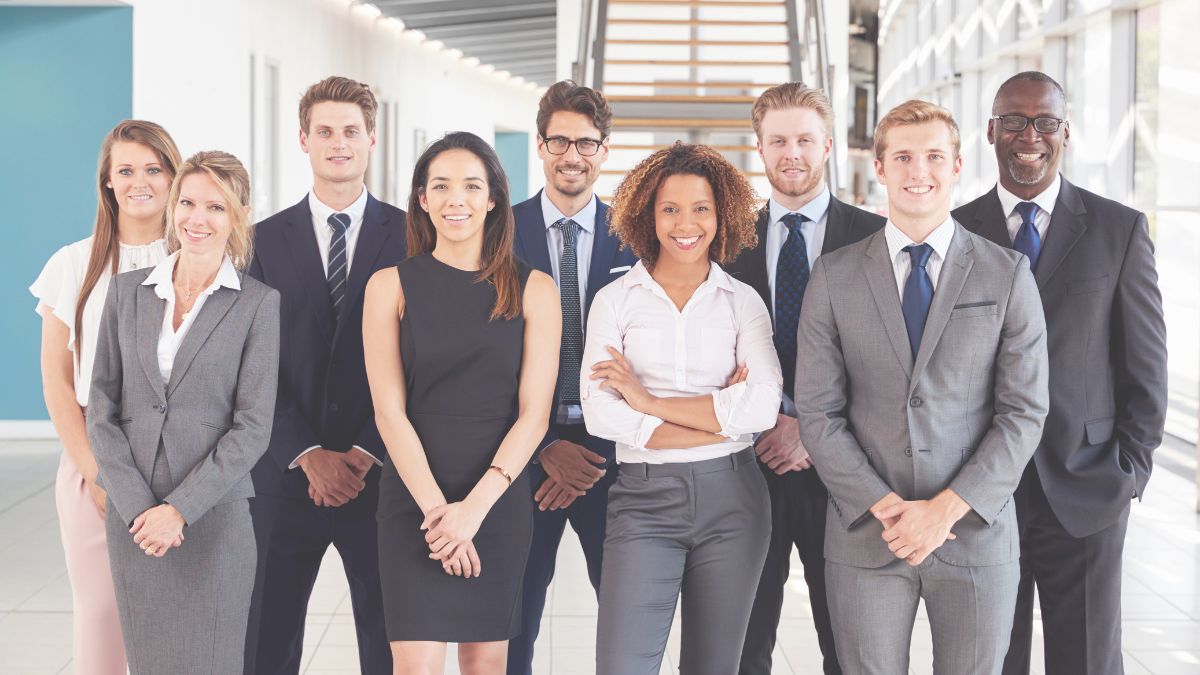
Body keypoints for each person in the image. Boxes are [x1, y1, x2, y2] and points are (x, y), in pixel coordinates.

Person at [795, 100, 1048, 675]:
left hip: (975, 534)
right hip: (867, 535)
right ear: (879, 168)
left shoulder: (1006, 274)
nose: (918, 171)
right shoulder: (834, 275)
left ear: (958, 165)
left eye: (934, 156)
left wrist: (943, 513)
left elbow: (1024, 412)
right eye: (903, 157)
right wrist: (888, 509)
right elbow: (818, 412)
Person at [953, 71, 1168, 675]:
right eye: (1015, 121)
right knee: (992, 658)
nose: (1030, 135)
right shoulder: (956, 231)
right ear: (991, 130)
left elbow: (1145, 362)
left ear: (1065, 132)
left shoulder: (1117, 229)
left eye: (1045, 122)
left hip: (1088, 485)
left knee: (1089, 661)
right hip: (982, 491)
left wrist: (1131, 469)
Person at [364, 131, 560, 674]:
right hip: (414, 502)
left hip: (495, 501)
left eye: (472, 186)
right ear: (422, 199)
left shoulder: (534, 288)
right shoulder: (389, 286)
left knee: (484, 665)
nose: (457, 200)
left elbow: (534, 414)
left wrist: (471, 512)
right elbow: (388, 412)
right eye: (441, 186)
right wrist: (438, 516)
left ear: (493, 197)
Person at [582, 142, 782, 675]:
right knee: (623, 666)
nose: (685, 223)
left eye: (701, 209)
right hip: (643, 503)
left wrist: (646, 402)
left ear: (722, 216)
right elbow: (602, 416)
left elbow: (761, 406)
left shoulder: (743, 302)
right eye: (670, 208)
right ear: (648, 213)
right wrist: (721, 418)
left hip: (734, 503)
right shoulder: (616, 300)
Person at [86, 150, 280, 674]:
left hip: (212, 520)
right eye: (188, 202)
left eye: (215, 207)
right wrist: (137, 506)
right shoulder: (127, 293)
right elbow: (101, 405)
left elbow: (252, 426)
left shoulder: (258, 304)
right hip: (136, 522)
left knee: (211, 663)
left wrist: (179, 509)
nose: (198, 218)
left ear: (238, 214)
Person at [245, 75, 406, 675]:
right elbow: (251, 361)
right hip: (285, 476)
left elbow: (422, 359)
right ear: (303, 140)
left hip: (383, 476)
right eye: (325, 131)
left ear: (371, 139)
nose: (338, 143)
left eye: (350, 131)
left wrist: (363, 450)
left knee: (388, 642)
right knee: (266, 639)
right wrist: (307, 451)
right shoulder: (260, 241)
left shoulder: (415, 234)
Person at [725, 82, 885, 675]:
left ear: (827, 147)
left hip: (845, 477)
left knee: (849, 646)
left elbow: (889, 365)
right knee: (745, 645)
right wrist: (770, 423)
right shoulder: (728, 239)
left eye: (804, 140)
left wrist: (812, 435)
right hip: (750, 468)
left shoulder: (875, 237)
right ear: (760, 150)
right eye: (777, 141)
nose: (791, 153)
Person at [30, 119, 182, 675]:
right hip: (95, 452)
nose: (139, 181)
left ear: (173, 177)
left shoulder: (200, 259)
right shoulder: (72, 264)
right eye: (126, 170)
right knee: (101, 615)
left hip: (180, 458)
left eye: (153, 168)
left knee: (175, 619)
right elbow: (55, 379)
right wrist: (96, 471)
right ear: (108, 182)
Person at [507, 80, 637, 675]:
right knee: (513, 628)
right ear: (540, 146)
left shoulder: (637, 238)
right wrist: (541, 450)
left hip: (610, 461)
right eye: (560, 140)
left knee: (629, 626)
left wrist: (592, 453)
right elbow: (483, 359)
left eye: (587, 143)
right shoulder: (497, 234)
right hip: (519, 459)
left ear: (604, 151)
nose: (572, 155)